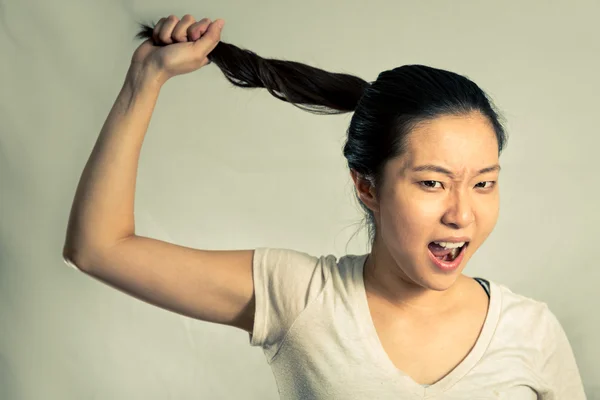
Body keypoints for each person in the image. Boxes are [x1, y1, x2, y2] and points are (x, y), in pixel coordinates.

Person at [62, 14, 586, 399]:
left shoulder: (531, 331)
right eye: (432, 183)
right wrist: (144, 80)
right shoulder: (301, 298)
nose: (461, 214)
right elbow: (98, 248)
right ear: (368, 188)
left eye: (484, 184)